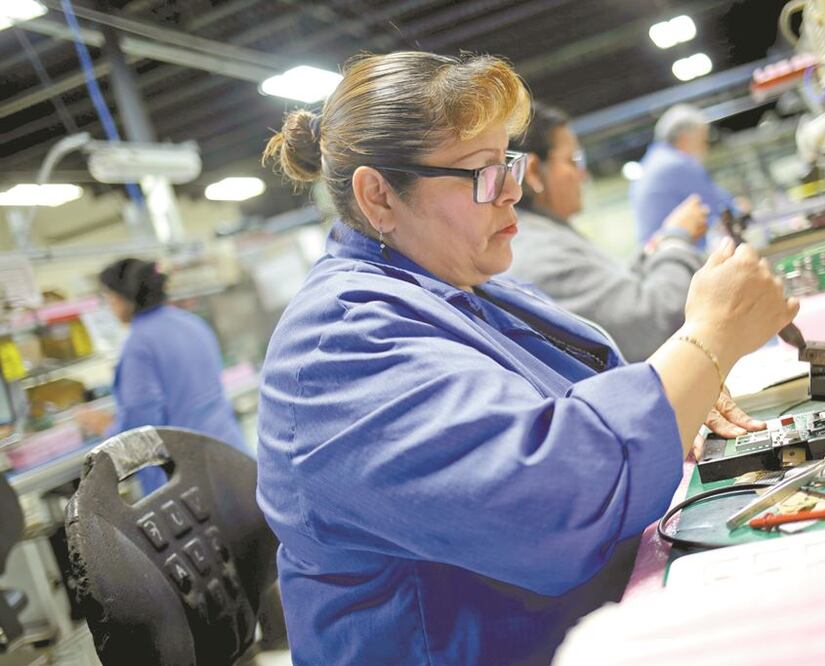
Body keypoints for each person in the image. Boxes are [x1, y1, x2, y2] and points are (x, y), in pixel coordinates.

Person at [258, 51, 797, 665]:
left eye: (507, 162)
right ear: (379, 195)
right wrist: (708, 338)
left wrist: (681, 393)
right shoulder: (341, 347)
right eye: (484, 173)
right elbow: (549, 500)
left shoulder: (462, 288)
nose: (514, 191)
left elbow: (580, 393)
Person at [506, 101, 709, 363]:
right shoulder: (538, 251)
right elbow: (651, 325)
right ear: (533, 171)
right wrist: (676, 240)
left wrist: (662, 244)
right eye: (573, 161)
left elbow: (621, 286)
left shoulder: (547, 233)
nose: (583, 175)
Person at [76, 258, 250, 489]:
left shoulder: (139, 344)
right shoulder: (192, 323)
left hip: (189, 478)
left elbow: (140, 433)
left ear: (121, 299)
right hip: (231, 454)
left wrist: (103, 426)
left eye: (109, 299)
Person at [630, 104, 740, 249]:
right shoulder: (677, 164)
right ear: (685, 137)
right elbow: (719, 206)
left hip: (659, 254)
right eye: (703, 140)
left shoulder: (652, 161)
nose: (705, 147)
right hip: (677, 254)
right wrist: (737, 205)